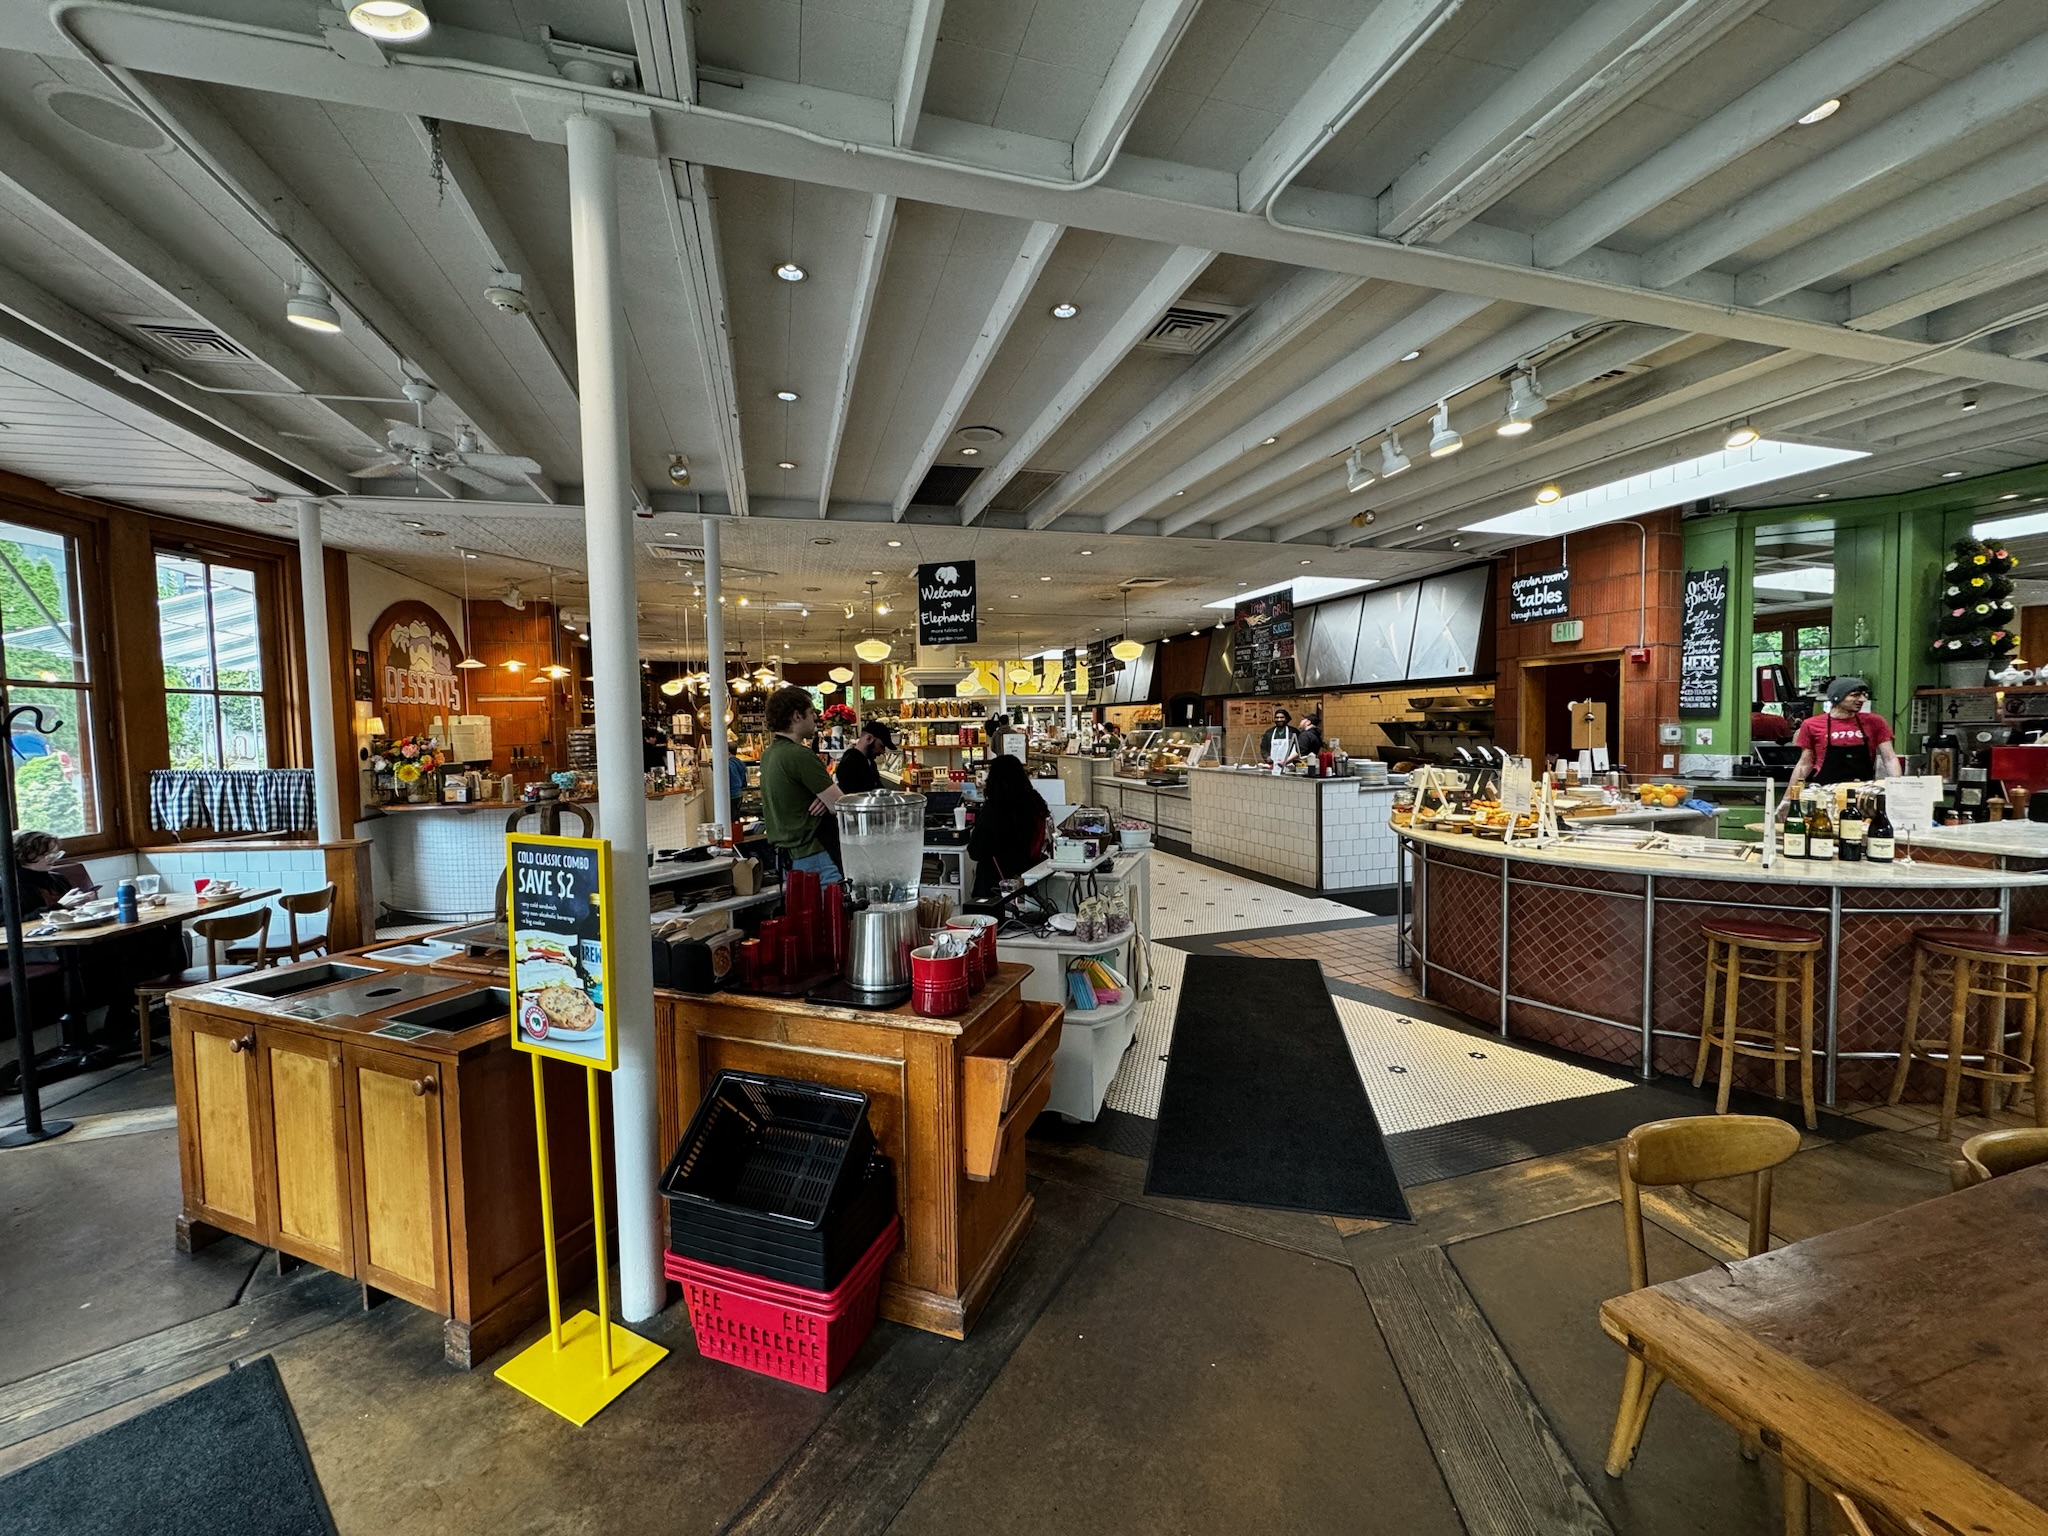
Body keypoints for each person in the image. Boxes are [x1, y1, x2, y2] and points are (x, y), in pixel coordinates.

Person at [758, 685, 843, 884]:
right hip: (815, 854)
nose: (816, 718)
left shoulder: (769, 754)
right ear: (797, 716)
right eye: (811, 712)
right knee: (831, 911)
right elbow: (839, 805)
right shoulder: (800, 755)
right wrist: (827, 799)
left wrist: (822, 798)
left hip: (787, 857)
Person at [1780, 676, 1900, 811]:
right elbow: (1805, 763)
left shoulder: (1875, 722)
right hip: (1824, 795)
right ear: (1837, 697)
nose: (1862, 700)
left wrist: (1898, 789)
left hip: (1862, 795)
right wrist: (1788, 798)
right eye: (1855, 695)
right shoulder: (1812, 724)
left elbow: (1889, 758)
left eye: (1863, 695)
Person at [969, 754, 1051, 900]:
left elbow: (976, 851)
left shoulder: (994, 809)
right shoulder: (1035, 801)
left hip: (995, 884)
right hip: (1030, 876)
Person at [835, 719, 892, 795]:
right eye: (881, 746)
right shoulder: (850, 763)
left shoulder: (869, 762)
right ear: (869, 739)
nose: (882, 751)